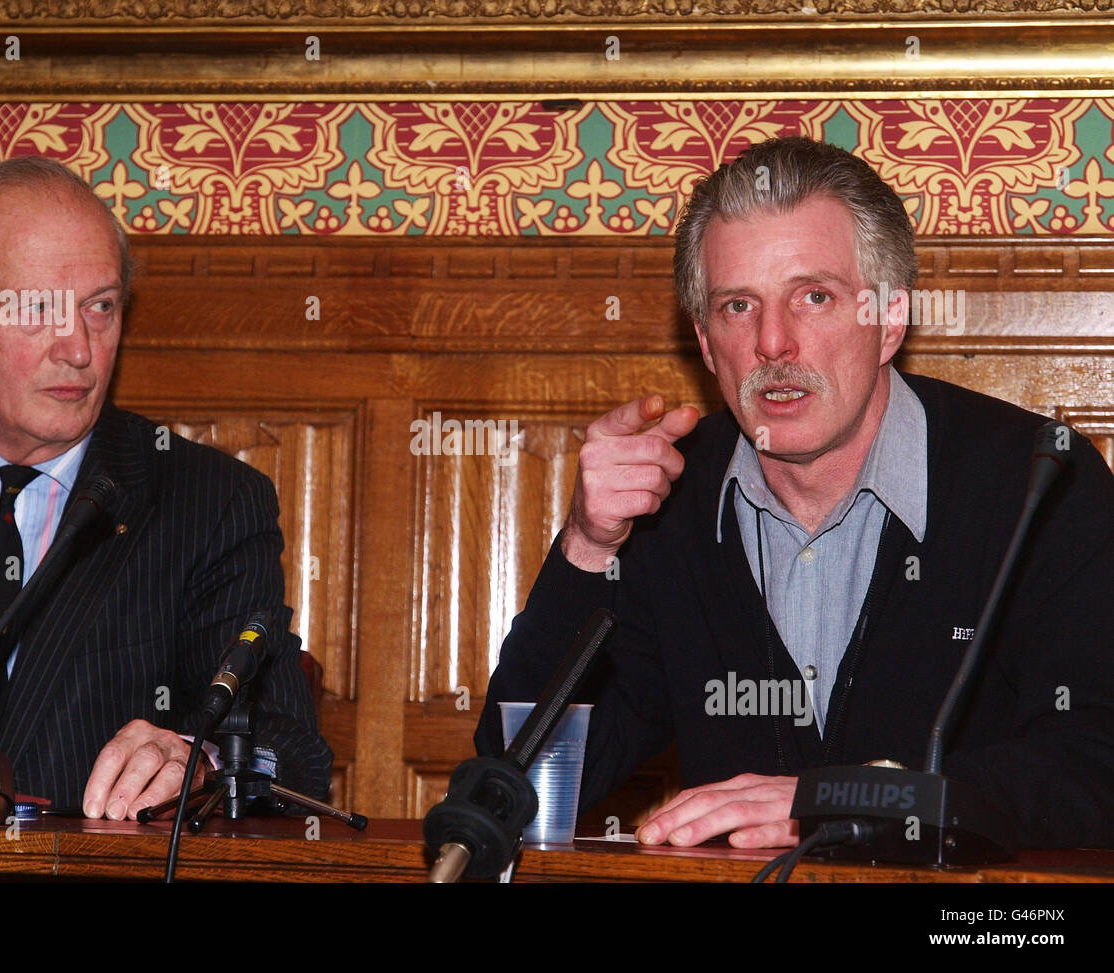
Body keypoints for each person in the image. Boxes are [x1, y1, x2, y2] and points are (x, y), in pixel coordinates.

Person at [476, 136, 1114, 850]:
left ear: (889, 318)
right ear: (707, 341)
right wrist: (589, 548)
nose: (773, 342)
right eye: (738, 306)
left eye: (814, 296)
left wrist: (841, 805)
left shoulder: (1035, 481)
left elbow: (1095, 765)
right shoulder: (671, 506)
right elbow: (516, 784)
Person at [0, 156, 332, 818]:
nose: (80, 348)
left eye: (101, 307)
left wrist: (196, 759)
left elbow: (291, 751)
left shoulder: (209, 504)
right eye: (37, 308)